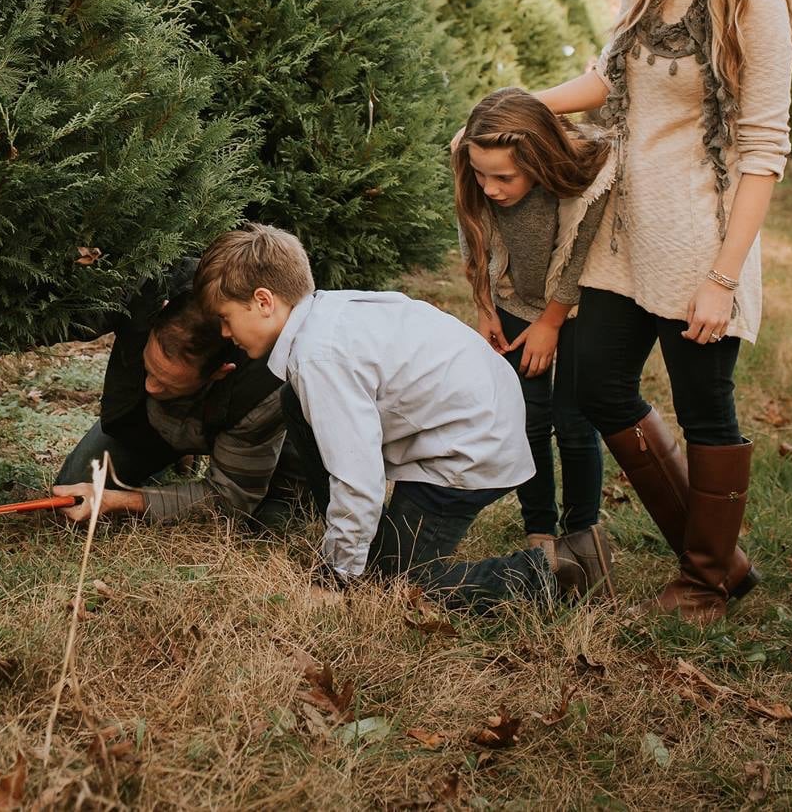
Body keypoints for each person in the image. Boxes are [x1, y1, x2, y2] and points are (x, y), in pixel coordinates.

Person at [526, 0, 792, 624]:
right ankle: (719, 556)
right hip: (621, 232)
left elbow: (762, 150)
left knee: (705, 408)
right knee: (593, 382)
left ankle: (708, 576)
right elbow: (607, 83)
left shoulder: (756, 3)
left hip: (698, 244)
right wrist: (515, 106)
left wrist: (722, 276)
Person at [196, 223, 555, 609]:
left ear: (264, 301)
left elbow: (358, 477)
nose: (224, 332)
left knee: (397, 583)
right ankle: (365, 542)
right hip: (475, 417)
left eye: (225, 317)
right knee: (295, 404)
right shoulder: (324, 315)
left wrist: (335, 575)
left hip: (471, 449)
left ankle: (551, 570)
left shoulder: (320, 358)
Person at [453, 87, 616, 597]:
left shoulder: (588, 179)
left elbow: (579, 256)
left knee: (573, 420)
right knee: (528, 418)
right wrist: (485, 309)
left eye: (505, 177)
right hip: (510, 300)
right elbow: (473, 237)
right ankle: (540, 530)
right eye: (482, 175)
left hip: (576, 307)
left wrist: (550, 322)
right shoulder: (473, 165)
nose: (491, 187)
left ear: (540, 159)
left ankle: (582, 534)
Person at [48, 267, 302, 529]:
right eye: (150, 368)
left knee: (268, 523)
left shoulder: (263, 385)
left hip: (246, 435)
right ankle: (178, 452)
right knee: (73, 485)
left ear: (219, 373)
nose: (150, 387)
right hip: (154, 426)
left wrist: (117, 500)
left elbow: (228, 499)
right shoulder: (149, 288)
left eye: (168, 384)